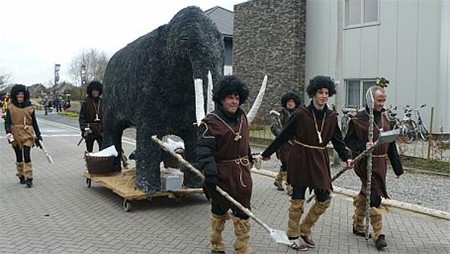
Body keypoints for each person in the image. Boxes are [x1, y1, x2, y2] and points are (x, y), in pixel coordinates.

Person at [261, 75, 353, 251]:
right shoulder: (301, 114)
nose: (324, 96)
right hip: (301, 158)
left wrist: (346, 157)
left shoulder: (331, 116)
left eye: (326, 93)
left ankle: (305, 229)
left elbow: (338, 141)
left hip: (319, 159)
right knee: (297, 200)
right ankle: (293, 235)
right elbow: (283, 135)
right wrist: (267, 153)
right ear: (313, 94)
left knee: (324, 199)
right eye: (320, 92)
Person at [197, 75, 254, 254]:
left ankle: (242, 247)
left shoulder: (242, 117)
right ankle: (216, 243)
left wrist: (249, 157)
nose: (234, 101)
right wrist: (210, 172)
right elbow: (204, 150)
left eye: (237, 98)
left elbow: (245, 141)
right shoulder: (210, 123)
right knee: (219, 208)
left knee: (243, 210)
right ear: (222, 99)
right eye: (230, 97)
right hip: (220, 172)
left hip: (242, 173)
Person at [344, 85, 403, 250]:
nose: (381, 103)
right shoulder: (358, 120)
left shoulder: (386, 119)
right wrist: (363, 145)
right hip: (365, 163)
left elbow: (391, 145)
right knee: (375, 194)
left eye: (383, 100)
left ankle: (357, 223)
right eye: (379, 100)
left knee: (366, 192)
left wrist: (397, 168)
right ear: (370, 99)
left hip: (381, 163)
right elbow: (348, 141)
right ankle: (378, 235)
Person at [4, 85, 42, 188]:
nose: (20, 96)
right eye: (18, 94)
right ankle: (21, 174)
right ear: (15, 95)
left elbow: (34, 122)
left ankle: (29, 177)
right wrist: (8, 132)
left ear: (24, 95)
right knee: (19, 156)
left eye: (22, 94)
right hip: (15, 133)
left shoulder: (30, 107)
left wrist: (38, 135)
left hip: (27, 133)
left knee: (26, 154)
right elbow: (7, 122)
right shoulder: (11, 107)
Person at [271, 90, 301, 195]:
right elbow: (274, 126)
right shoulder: (280, 115)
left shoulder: (299, 114)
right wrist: (280, 133)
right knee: (287, 164)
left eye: (292, 101)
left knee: (289, 164)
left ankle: (278, 180)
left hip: (295, 144)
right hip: (283, 144)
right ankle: (290, 186)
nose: (290, 103)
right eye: (288, 101)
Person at [79, 80, 103, 153]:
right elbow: (82, 117)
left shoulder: (103, 102)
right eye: (94, 91)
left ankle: (102, 163)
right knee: (89, 150)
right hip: (89, 129)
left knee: (103, 150)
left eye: (97, 91)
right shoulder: (86, 102)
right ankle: (89, 163)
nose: (95, 92)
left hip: (100, 129)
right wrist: (84, 129)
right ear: (90, 91)